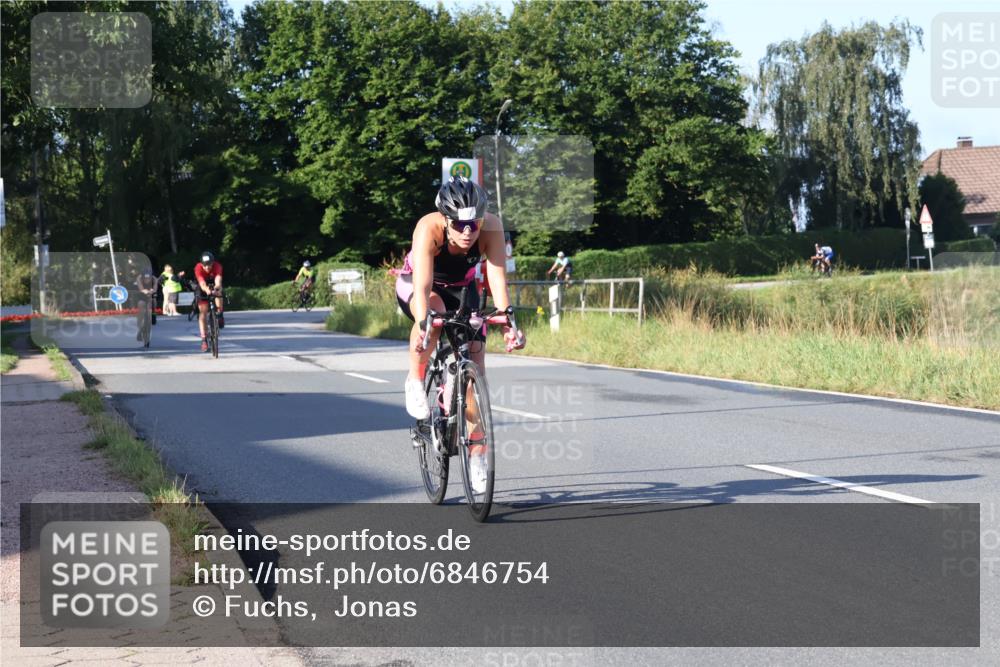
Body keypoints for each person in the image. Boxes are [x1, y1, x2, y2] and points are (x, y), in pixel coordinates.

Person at [395, 176, 526, 421]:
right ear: (445, 219)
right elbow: (422, 286)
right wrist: (424, 326)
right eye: (458, 224)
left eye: (474, 224)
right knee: (433, 312)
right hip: (418, 284)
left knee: (476, 359)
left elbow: (498, 282)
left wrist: (511, 325)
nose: (467, 232)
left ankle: (477, 455)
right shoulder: (428, 227)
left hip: (461, 289)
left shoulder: (492, 226)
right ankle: (414, 379)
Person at [194, 251, 224, 352]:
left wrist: (215, 289)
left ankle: (219, 313)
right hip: (203, 286)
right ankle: (204, 339)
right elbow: (202, 283)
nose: (207, 267)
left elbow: (218, 280)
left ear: (213, 263)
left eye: (209, 265)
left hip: (213, 283)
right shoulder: (198, 267)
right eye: (204, 265)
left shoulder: (217, 266)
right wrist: (207, 290)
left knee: (219, 291)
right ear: (201, 264)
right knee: (203, 313)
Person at [134, 269, 158, 342]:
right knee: (141, 305)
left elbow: (155, 289)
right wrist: (144, 290)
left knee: (153, 302)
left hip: (150, 296)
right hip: (141, 296)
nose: (147, 279)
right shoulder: (139, 278)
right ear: (143, 277)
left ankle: (153, 315)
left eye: (148, 278)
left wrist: (152, 291)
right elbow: (141, 288)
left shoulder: (154, 279)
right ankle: (140, 328)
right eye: (145, 278)